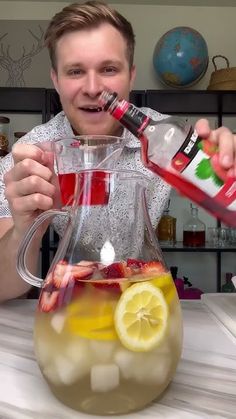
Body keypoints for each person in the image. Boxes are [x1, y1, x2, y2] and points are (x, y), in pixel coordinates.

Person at [0, 0, 236, 302]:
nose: (93, 87)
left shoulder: (168, 138)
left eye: (109, 69)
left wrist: (225, 169)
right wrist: (24, 230)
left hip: (145, 303)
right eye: (75, 71)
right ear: (56, 81)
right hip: (75, 309)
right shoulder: (31, 156)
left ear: (131, 76)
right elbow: (3, 286)